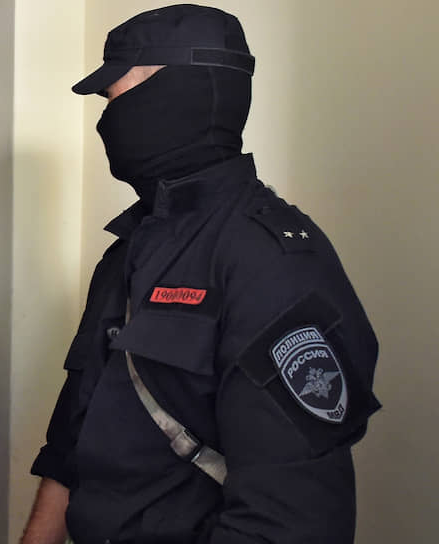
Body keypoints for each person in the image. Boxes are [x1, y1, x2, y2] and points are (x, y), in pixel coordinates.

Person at [20, 5, 380, 543]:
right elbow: (71, 439)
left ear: (174, 92)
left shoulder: (271, 262)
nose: (106, 118)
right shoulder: (127, 251)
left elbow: (288, 522)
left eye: (114, 95)